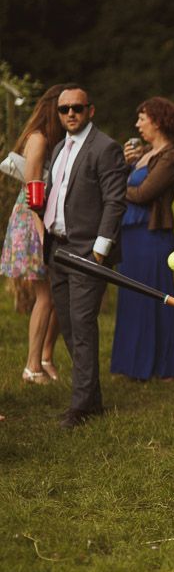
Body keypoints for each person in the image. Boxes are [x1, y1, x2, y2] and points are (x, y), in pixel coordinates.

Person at [43, 84, 127, 429]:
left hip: (87, 251)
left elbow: (115, 201)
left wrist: (99, 250)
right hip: (58, 248)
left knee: (81, 326)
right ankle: (90, 398)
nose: (71, 114)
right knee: (68, 324)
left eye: (77, 108)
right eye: (64, 110)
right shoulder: (60, 146)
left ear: (90, 110)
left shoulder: (105, 148)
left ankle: (80, 408)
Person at [110, 97, 174, 381]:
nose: (137, 124)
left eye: (142, 118)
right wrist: (126, 166)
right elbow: (132, 187)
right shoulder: (143, 155)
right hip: (130, 234)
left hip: (152, 235)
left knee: (157, 299)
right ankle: (132, 364)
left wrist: (118, 184)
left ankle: (165, 367)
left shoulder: (171, 157)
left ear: (157, 120)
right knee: (132, 300)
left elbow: (144, 194)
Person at [0, 84, 66, 384]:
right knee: (45, 295)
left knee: (53, 294)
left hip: (45, 220)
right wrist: (42, 235)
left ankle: (44, 358)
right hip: (33, 222)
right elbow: (32, 191)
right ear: (54, 108)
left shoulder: (54, 139)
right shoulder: (38, 139)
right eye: (64, 108)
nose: (70, 114)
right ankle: (32, 366)